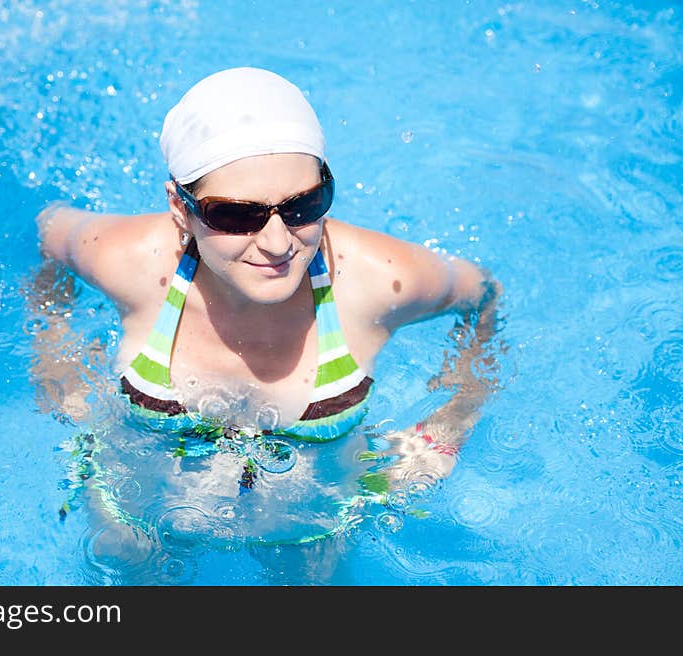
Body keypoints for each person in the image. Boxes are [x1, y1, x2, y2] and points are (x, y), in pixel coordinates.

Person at [31, 67, 503, 575]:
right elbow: (47, 231)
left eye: (303, 205)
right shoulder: (130, 262)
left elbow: (486, 298)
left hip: (311, 525)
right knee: (127, 557)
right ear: (179, 208)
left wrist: (450, 422)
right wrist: (55, 355)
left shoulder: (379, 280)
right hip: (140, 515)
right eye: (236, 216)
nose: (278, 243)